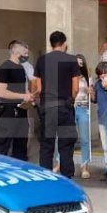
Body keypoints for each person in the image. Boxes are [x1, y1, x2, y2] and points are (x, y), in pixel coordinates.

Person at [31, 30, 81, 178]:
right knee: (66, 146)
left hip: (47, 108)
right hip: (65, 108)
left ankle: (46, 178)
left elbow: (38, 88)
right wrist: (71, 99)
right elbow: (76, 87)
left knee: (47, 146)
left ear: (51, 44)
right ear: (64, 44)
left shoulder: (41, 60)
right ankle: (67, 179)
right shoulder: (71, 60)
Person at [0, 41, 34, 160]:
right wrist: (22, 96)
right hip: (7, 112)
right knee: (4, 145)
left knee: (21, 145)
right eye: (24, 52)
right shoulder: (5, 67)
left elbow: (22, 88)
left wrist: (28, 96)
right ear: (16, 52)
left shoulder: (21, 68)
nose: (26, 54)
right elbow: (1, 92)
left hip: (21, 111)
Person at [73, 54, 93, 179]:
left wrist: (90, 91)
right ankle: (59, 163)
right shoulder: (69, 77)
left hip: (83, 108)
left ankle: (84, 166)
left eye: (81, 63)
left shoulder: (88, 78)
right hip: (71, 108)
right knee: (66, 138)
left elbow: (93, 97)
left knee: (85, 139)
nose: (79, 65)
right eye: (76, 63)